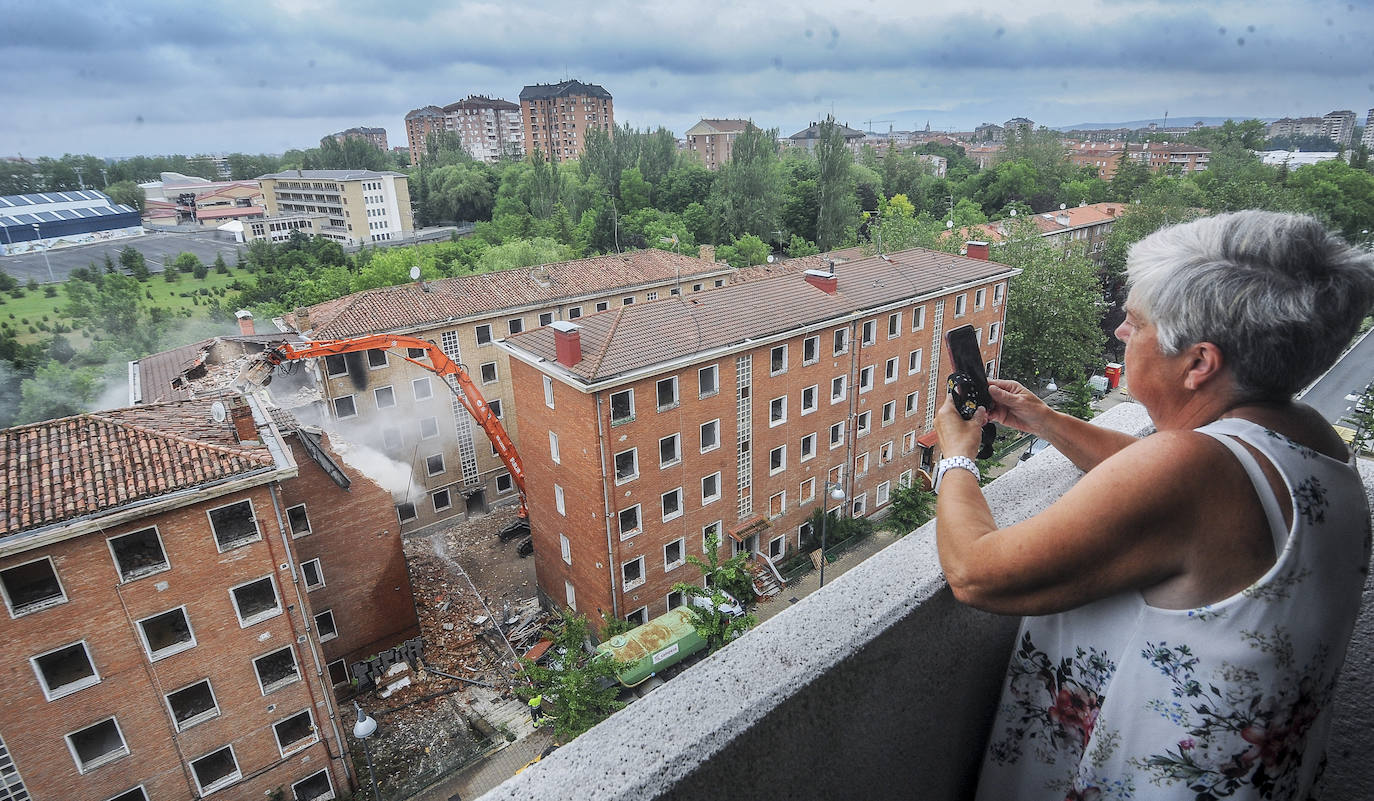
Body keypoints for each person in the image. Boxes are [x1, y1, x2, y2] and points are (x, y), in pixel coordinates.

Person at [933, 211, 1374, 800]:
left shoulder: (1189, 473)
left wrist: (955, 458)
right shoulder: (1312, 438)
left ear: (1198, 363)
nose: (1119, 332)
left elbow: (975, 574)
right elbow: (1158, 477)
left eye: (1136, 323)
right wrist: (1046, 420)